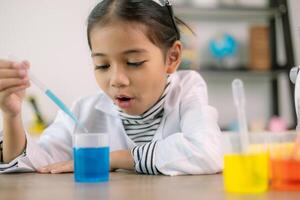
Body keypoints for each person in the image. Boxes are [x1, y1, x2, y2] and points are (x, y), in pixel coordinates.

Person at [0, 0, 222, 176]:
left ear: (172, 57)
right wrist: (12, 116)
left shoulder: (187, 89)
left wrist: (112, 159)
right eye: (102, 65)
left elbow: (208, 151)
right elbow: (38, 162)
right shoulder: (83, 112)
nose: (117, 80)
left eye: (134, 62)